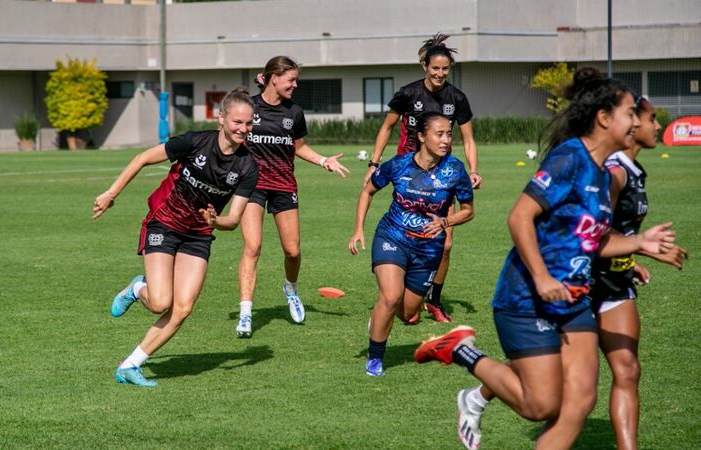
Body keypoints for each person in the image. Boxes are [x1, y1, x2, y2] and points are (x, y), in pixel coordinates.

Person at [414, 68, 677, 449]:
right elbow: (519, 216)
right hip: (524, 299)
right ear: (604, 118)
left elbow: (593, 239)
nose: (636, 121)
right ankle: (460, 350)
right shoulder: (569, 158)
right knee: (541, 406)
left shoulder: (605, 174)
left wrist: (639, 243)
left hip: (573, 300)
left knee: (578, 405)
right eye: (629, 113)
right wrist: (540, 277)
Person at [93, 87, 258, 387]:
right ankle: (136, 289)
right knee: (159, 303)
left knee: (182, 308)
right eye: (237, 122)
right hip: (164, 223)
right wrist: (111, 193)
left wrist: (215, 220)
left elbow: (233, 220)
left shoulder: (247, 166)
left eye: (249, 124)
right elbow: (143, 158)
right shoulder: (195, 142)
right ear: (221, 118)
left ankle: (130, 365)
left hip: (199, 235)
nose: (243, 129)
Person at [589, 96, 687, 450]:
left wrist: (632, 257)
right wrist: (644, 246)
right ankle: (482, 390)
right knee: (552, 388)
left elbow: (618, 236)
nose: (657, 126)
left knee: (628, 370)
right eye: (651, 119)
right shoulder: (614, 172)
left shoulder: (633, 170)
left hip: (614, 283)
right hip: (581, 284)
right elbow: (591, 234)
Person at [362, 33, 481, 323]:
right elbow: (386, 127)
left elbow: (468, 138)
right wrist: (373, 162)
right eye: (435, 68)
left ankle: (434, 300)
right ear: (424, 67)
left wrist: (473, 169)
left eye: (445, 69)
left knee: (446, 243)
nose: (440, 74)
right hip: (408, 174)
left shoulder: (456, 98)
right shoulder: (408, 94)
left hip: (441, 177)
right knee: (403, 230)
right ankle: (398, 284)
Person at [349, 112, 474, 377]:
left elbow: (468, 211)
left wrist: (444, 223)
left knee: (407, 315)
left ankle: (381, 315)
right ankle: (375, 358)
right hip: (392, 236)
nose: (446, 140)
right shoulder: (399, 164)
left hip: (428, 249)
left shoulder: (455, 170)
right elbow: (367, 190)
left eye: (449, 134)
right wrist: (358, 228)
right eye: (439, 134)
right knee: (391, 295)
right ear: (421, 137)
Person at [234, 55, 349, 339]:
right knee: (253, 246)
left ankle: (290, 289)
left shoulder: (294, 112)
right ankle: (245, 313)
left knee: (293, 251)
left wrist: (324, 161)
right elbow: (230, 136)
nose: (295, 85)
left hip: (284, 185)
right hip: (252, 186)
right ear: (274, 77)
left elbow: (299, 147)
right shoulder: (250, 107)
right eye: (291, 80)